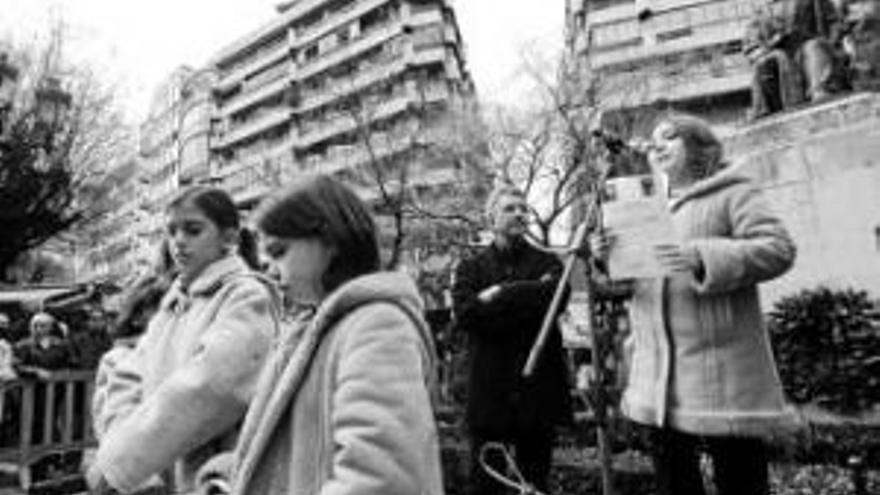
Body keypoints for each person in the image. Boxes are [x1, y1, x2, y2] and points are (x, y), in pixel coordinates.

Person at [198, 174, 443, 495]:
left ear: (330, 241)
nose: (268, 268)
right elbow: (297, 456)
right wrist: (230, 474)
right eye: (266, 257)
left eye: (279, 251)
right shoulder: (309, 333)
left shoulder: (377, 326)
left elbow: (380, 478)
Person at [592, 113, 797, 495]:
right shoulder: (645, 205)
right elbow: (628, 284)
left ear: (699, 146)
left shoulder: (733, 191)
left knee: (741, 481)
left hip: (722, 375)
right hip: (657, 381)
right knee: (674, 483)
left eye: (669, 137)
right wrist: (607, 258)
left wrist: (701, 256)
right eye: (653, 140)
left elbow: (778, 249)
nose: (656, 146)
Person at [86, 186, 280, 495]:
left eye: (193, 230)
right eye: (171, 231)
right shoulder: (172, 305)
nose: (178, 241)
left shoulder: (245, 296)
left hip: (214, 480)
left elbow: (211, 387)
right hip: (160, 479)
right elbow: (129, 378)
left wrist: (122, 466)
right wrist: (125, 463)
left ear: (229, 238)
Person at [452, 184, 571, 495]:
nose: (520, 213)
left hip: (537, 392)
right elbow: (467, 314)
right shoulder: (470, 267)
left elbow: (557, 298)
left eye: (523, 208)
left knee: (535, 483)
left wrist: (501, 293)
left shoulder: (549, 262)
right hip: (491, 393)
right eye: (510, 208)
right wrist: (531, 297)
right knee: (485, 485)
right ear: (491, 219)